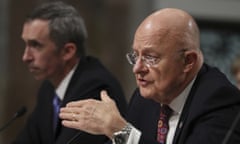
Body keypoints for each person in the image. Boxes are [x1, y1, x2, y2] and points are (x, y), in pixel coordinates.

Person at [59, 8, 240, 144]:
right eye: (135, 55)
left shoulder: (221, 102)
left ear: (188, 62)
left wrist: (120, 130)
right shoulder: (145, 97)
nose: (137, 68)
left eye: (150, 57)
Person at [13, 1, 127, 144]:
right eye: (26, 44)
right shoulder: (48, 89)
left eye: (36, 45)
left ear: (68, 51)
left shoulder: (95, 87)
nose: (26, 57)